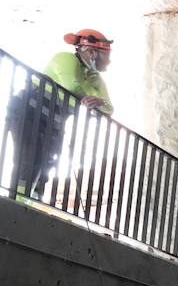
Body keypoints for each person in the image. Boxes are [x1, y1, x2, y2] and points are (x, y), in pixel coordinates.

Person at [13, 28, 114, 200]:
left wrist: (99, 101)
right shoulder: (65, 59)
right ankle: (15, 202)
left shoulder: (93, 78)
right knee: (30, 158)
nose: (109, 61)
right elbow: (71, 86)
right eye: (107, 55)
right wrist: (90, 98)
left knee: (46, 165)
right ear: (91, 53)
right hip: (30, 112)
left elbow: (109, 109)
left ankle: (29, 203)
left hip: (54, 123)